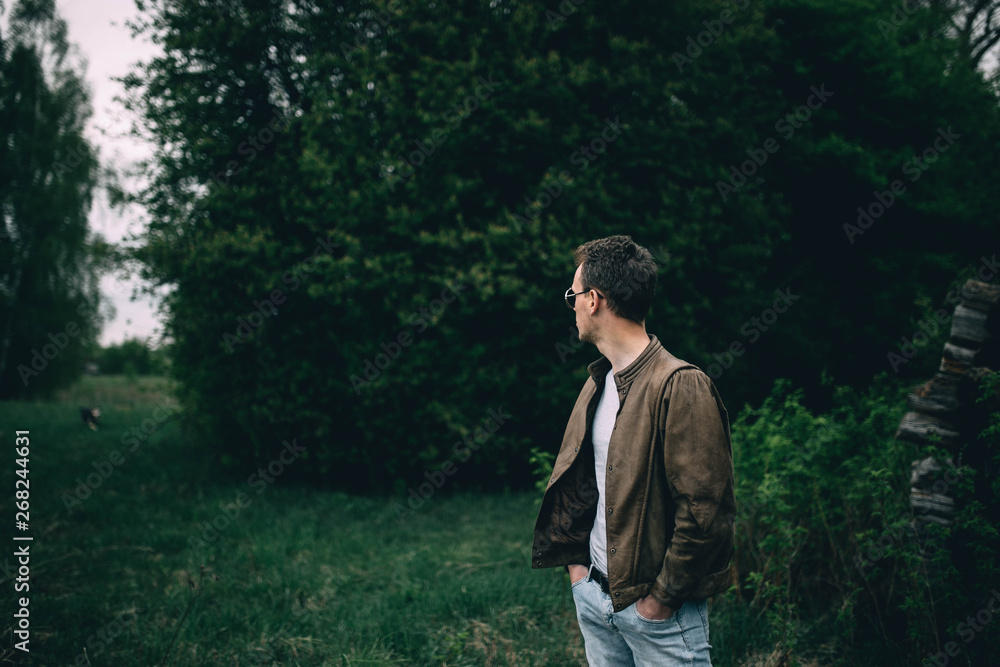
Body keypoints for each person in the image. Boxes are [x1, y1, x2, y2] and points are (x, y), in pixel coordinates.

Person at [531, 235, 736, 666]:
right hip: (596, 600)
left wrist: (659, 602)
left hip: (658, 618)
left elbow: (705, 512)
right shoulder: (597, 382)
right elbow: (583, 482)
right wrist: (578, 575)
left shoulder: (680, 385)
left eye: (574, 294)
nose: (571, 306)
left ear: (595, 300)